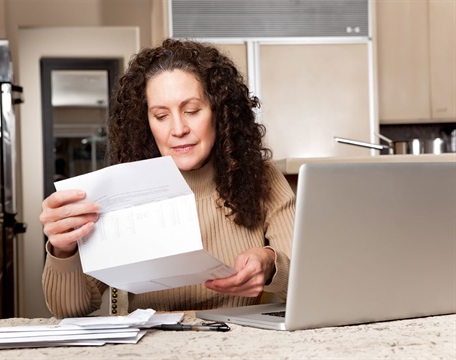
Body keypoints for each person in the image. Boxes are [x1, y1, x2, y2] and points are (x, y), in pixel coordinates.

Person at [40, 38, 295, 318]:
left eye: (192, 111)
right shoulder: (119, 188)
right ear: (146, 123)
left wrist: (271, 264)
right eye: (161, 115)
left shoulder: (264, 178)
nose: (178, 129)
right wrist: (62, 251)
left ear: (220, 113)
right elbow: (68, 309)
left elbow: (309, 281)